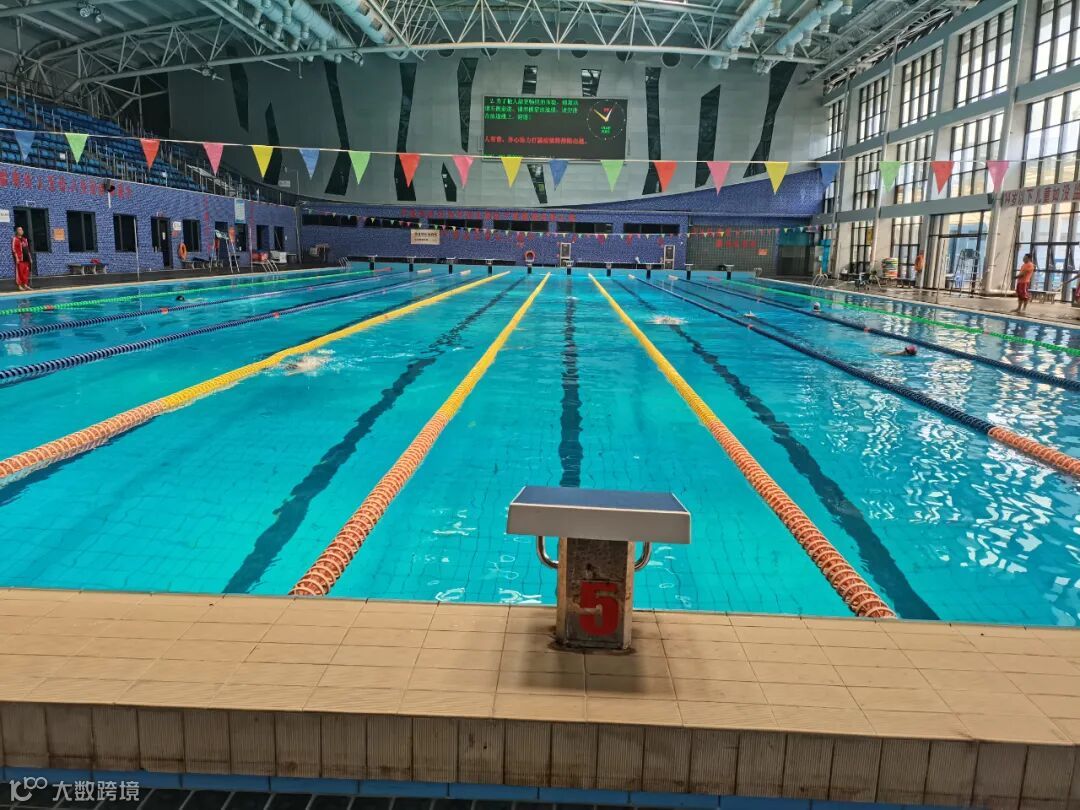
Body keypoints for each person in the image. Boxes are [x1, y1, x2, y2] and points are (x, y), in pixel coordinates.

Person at [11, 226, 31, 291]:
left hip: (26, 258)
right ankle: (19, 285)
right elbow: (13, 249)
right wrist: (16, 258)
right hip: (20, 259)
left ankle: (25, 285)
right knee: (20, 272)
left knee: (26, 272)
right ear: (16, 231)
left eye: (22, 230)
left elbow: (27, 249)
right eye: (19, 230)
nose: (21, 231)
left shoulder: (25, 239)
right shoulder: (15, 239)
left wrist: (30, 258)